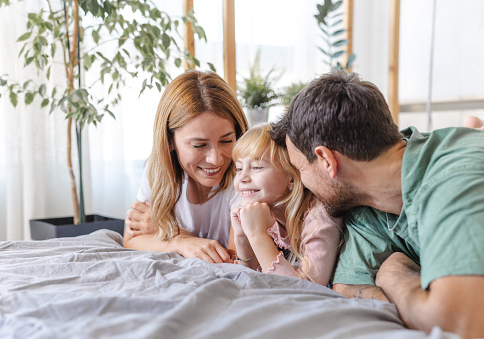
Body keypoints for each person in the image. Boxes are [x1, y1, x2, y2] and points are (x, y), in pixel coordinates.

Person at [271, 70, 484, 339]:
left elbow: (459, 323)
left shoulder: (454, 177)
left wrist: (393, 272)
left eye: (299, 169)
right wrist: (421, 302)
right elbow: (348, 288)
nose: (301, 183)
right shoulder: (365, 204)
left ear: (326, 160)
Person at [123, 70, 248, 264]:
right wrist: (180, 242)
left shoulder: (245, 175)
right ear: (169, 141)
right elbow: (131, 239)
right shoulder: (158, 170)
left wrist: (173, 232)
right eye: (199, 145)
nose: (215, 159)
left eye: (226, 141)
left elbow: (235, 259)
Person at [230, 124, 343, 286]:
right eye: (239, 168)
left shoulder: (319, 215)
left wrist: (258, 235)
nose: (242, 178)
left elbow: (307, 287)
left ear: (291, 176)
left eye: (256, 167)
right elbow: (248, 274)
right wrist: (242, 237)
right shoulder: (264, 208)